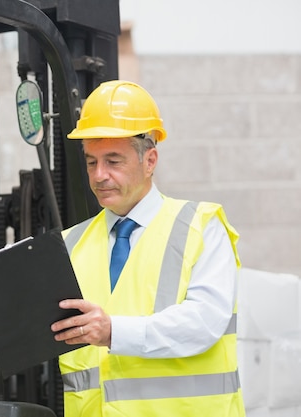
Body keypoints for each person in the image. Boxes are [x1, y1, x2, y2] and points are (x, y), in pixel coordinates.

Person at [50, 80, 245, 416]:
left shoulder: (200, 227)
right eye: (91, 161)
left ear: (150, 160)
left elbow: (204, 321)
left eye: (113, 160)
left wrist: (115, 331)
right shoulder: (71, 244)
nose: (99, 175)